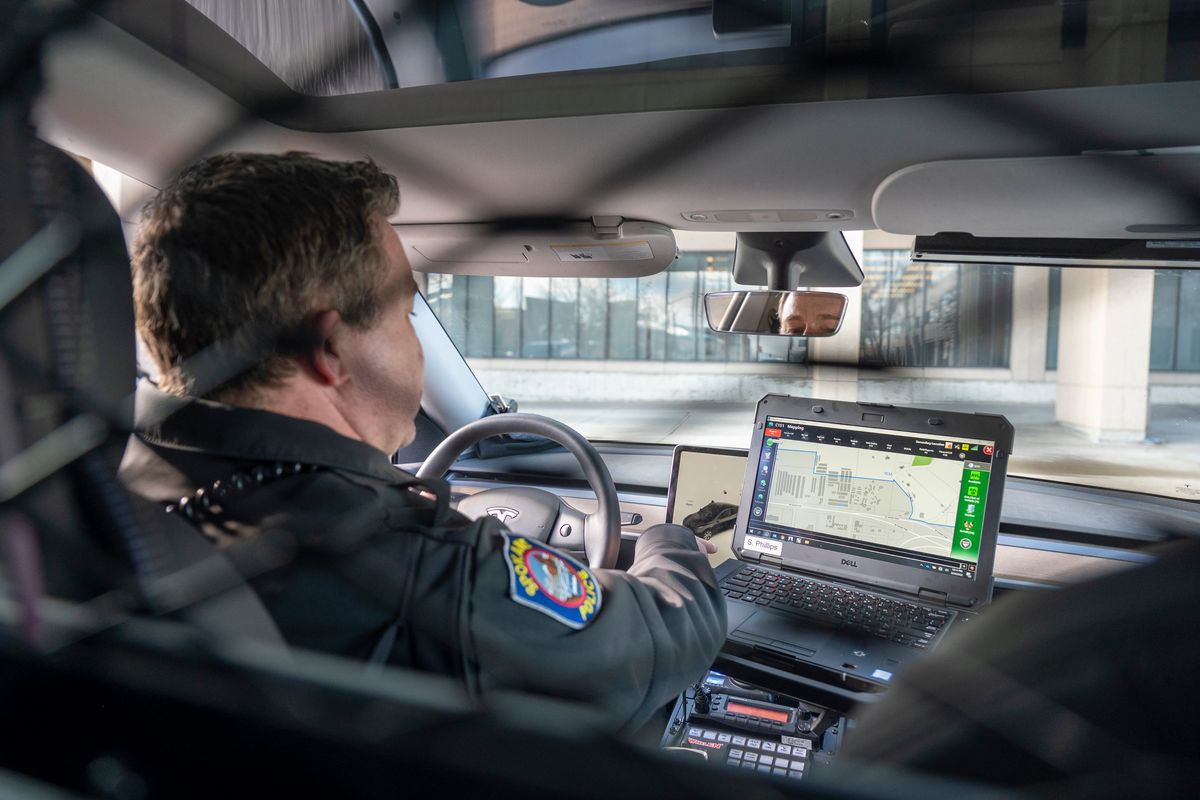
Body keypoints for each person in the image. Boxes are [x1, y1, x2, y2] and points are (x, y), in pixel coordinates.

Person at [119, 152, 726, 731]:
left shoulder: (105, 484)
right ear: (329, 350)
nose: (416, 347)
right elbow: (660, 637)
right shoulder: (409, 556)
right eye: (407, 314)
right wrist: (668, 542)